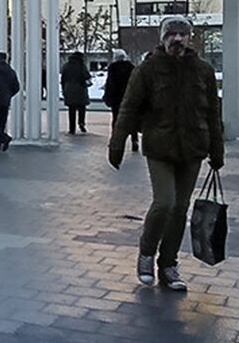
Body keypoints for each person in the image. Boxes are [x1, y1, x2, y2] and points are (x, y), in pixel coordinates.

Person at [109, 15, 223, 292]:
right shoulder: (147, 69)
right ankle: (146, 254)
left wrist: (216, 151)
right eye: (172, 34)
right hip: (160, 147)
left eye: (183, 34)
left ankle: (168, 265)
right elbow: (129, 107)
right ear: (163, 38)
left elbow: (212, 113)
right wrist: (118, 142)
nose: (178, 39)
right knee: (165, 203)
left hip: (193, 149)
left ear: (190, 37)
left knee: (180, 209)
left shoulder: (203, 71)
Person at [103, 49, 139, 152]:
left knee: (116, 119)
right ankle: (134, 140)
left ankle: (115, 141)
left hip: (116, 98)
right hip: (129, 97)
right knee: (132, 119)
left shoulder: (112, 68)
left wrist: (108, 96)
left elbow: (110, 83)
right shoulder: (132, 67)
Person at [61, 52, 92, 134]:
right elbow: (87, 76)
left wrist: (64, 89)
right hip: (80, 89)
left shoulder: (66, 66)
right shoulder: (81, 66)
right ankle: (81, 123)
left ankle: (72, 128)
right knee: (82, 108)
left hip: (69, 89)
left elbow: (63, 79)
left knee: (71, 110)